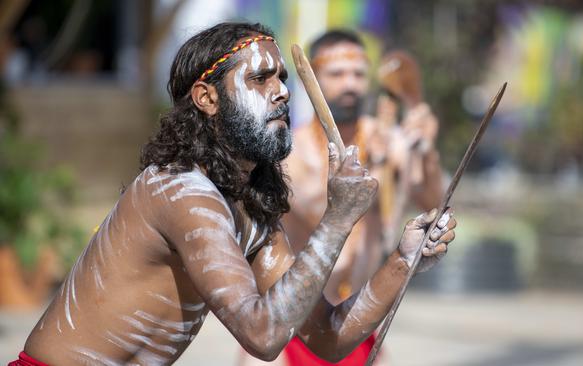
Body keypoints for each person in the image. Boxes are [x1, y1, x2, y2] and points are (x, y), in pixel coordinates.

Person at [9, 22, 456, 366]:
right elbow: (262, 336)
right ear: (206, 97)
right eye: (260, 78)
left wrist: (402, 261)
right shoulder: (180, 189)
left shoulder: (249, 205)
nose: (281, 91)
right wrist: (338, 217)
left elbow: (325, 337)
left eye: (281, 77)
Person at [239, 30, 448, 365]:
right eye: (337, 74)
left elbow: (434, 203)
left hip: (358, 325)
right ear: (314, 79)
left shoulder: (389, 142)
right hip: (292, 326)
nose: (350, 84)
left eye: (359, 74)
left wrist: (425, 150)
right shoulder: (285, 156)